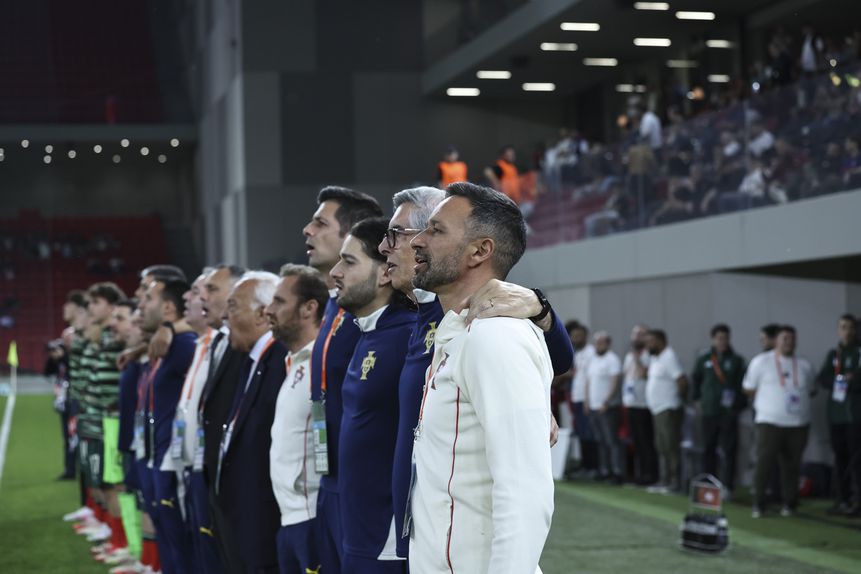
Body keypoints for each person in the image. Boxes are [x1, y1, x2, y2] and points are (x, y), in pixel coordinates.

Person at [377, 186, 574, 561]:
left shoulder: (495, 337)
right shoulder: (452, 331)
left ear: (480, 251)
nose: (416, 242)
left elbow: (525, 496)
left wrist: (538, 305)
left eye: (435, 230)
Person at [303, 186, 383, 574]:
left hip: (364, 490)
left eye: (320, 223)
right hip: (329, 476)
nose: (308, 230)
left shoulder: (375, 312)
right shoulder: (338, 303)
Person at [331, 217, 416, 572]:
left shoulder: (409, 336)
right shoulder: (364, 332)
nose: (335, 271)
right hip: (356, 528)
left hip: (386, 539)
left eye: (349, 262)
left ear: (384, 274)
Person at [216, 271, 286, 573]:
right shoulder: (250, 358)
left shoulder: (282, 359)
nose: (223, 315)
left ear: (261, 314)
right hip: (244, 510)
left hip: (265, 515)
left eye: (232, 307)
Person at [265, 264, 328, 574]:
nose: (268, 310)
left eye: (278, 301)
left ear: (309, 308)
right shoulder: (294, 362)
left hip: (312, 517)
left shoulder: (324, 361)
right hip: (288, 517)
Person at [159, 271, 222, 573]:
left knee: (209, 550)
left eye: (199, 291)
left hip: (205, 466)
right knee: (194, 543)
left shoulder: (218, 345)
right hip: (188, 461)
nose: (187, 297)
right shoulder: (199, 343)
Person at [138, 277, 196, 573]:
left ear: (169, 307)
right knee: (168, 541)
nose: (140, 306)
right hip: (154, 455)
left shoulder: (184, 344)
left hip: (171, 460)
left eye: (148, 299)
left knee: (181, 545)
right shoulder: (162, 343)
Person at [197, 263, 247, 571]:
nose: (204, 296)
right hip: (215, 476)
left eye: (213, 289)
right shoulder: (218, 341)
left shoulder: (247, 348)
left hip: (239, 488)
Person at [744, 325, 815, 518]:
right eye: (784, 339)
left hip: (798, 423)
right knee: (764, 463)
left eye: (792, 339)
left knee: (792, 465)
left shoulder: (804, 365)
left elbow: (811, 390)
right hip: (770, 421)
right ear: (776, 341)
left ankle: (790, 503)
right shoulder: (761, 362)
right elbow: (748, 388)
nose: (788, 342)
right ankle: (759, 502)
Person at [691, 324, 747, 496]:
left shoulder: (737, 360)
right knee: (708, 448)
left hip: (728, 412)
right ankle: (708, 484)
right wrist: (697, 400)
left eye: (725, 338)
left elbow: (743, 385)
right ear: (713, 339)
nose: (722, 341)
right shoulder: (704, 359)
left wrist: (738, 406)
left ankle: (728, 486)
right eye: (719, 338)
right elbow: (696, 380)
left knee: (729, 450)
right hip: (709, 411)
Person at [817, 314, 861, 516]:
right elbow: (823, 378)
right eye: (843, 327)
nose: (848, 331)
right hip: (836, 416)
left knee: (856, 461)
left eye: (851, 327)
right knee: (840, 458)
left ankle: (857, 502)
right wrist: (840, 379)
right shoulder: (833, 354)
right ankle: (841, 499)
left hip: (855, 416)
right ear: (838, 330)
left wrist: (852, 380)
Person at [645, 329, 688, 494]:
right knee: (661, 446)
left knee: (671, 447)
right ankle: (664, 480)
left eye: (651, 341)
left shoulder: (669, 356)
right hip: (658, 409)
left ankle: (675, 482)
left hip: (668, 409)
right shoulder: (656, 358)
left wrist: (678, 402)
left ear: (661, 341)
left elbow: (682, 380)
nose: (648, 345)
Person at [584, 332, 625, 483]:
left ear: (608, 344)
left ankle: (617, 471)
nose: (597, 346)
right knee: (600, 441)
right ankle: (604, 470)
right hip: (593, 406)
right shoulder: (593, 360)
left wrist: (607, 401)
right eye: (596, 343)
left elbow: (615, 382)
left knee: (611, 441)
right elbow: (588, 381)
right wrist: (587, 401)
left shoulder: (612, 360)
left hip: (607, 408)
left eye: (601, 343)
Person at [623, 325, 658, 485]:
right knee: (636, 441)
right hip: (631, 402)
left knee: (646, 441)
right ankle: (639, 474)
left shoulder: (648, 355)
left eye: (641, 334)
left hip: (644, 404)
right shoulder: (629, 356)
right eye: (635, 334)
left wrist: (638, 358)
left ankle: (650, 475)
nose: (637, 337)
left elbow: (644, 374)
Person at [570, 323, 598, 476]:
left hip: (586, 399)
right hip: (577, 397)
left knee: (589, 433)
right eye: (573, 336)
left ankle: (592, 466)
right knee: (581, 432)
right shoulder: (578, 353)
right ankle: (585, 464)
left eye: (578, 336)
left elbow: (591, 378)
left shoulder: (591, 353)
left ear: (585, 336)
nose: (574, 339)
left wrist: (588, 399)